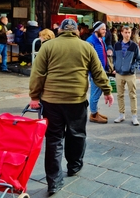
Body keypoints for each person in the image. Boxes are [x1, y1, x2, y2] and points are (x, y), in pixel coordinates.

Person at [28, 18, 114, 195]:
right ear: (77, 31)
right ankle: (74, 166)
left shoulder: (48, 46)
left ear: (60, 30)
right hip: (76, 100)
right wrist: (107, 90)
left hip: (51, 101)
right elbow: (98, 71)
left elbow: (37, 73)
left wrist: (34, 96)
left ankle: (53, 181)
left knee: (53, 140)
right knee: (76, 134)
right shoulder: (86, 47)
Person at [113, 26, 140, 126]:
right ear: (121, 33)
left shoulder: (134, 46)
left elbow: (139, 60)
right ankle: (121, 114)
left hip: (130, 74)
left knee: (132, 95)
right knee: (119, 95)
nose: (127, 34)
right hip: (119, 73)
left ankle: (134, 116)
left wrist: (132, 68)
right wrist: (115, 66)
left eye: (129, 32)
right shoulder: (117, 45)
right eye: (126, 32)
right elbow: (114, 57)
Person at [86, 21, 113, 124]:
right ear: (96, 29)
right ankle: (93, 114)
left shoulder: (101, 39)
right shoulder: (90, 41)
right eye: (103, 29)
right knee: (95, 93)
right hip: (95, 73)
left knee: (97, 92)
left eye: (105, 29)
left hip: (102, 70)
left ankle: (95, 112)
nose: (105, 31)